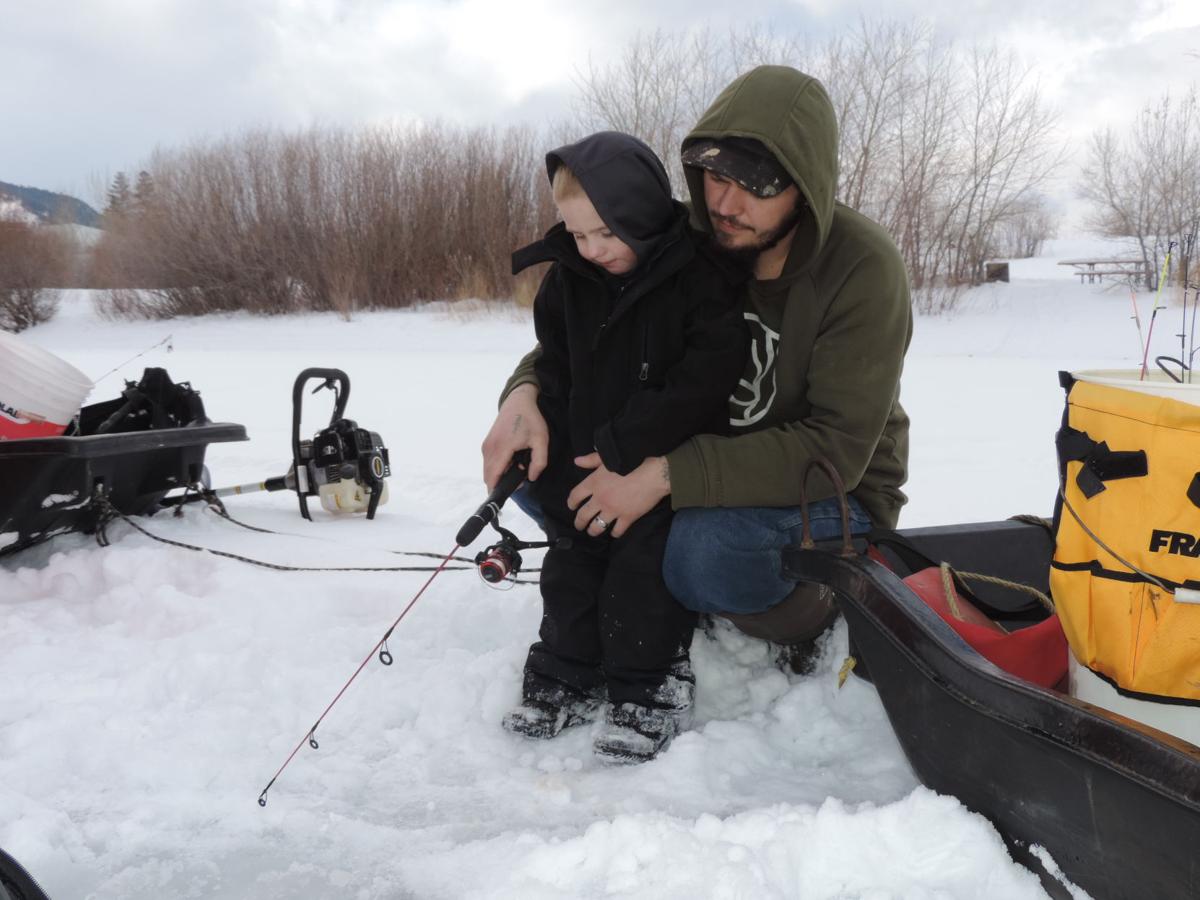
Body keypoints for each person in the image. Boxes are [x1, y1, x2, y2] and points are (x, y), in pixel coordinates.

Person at [483, 65, 911, 677]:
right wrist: (523, 395)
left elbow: (837, 447)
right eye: (713, 175)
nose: (725, 203)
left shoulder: (861, 267)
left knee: (702, 554)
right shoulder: (687, 236)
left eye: (755, 186)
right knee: (531, 467)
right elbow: (598, 329)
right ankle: (638, 574)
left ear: (805, 186)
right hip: (691, 455)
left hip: (826, 491)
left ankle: (810, 609)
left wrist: (665, 477)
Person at [498, 130, 748, 763]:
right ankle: (565, 671)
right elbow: (555, 364)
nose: (591, 248)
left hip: (660, 463)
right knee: (572, 555)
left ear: (641, 213)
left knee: (641, 564)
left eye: (605, 234)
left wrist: (625, 444)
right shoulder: (568, 282)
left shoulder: (702, 278)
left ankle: (648, 684)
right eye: (578, 235)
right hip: (585, 456)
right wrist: (539, 426)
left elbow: (704, 382)